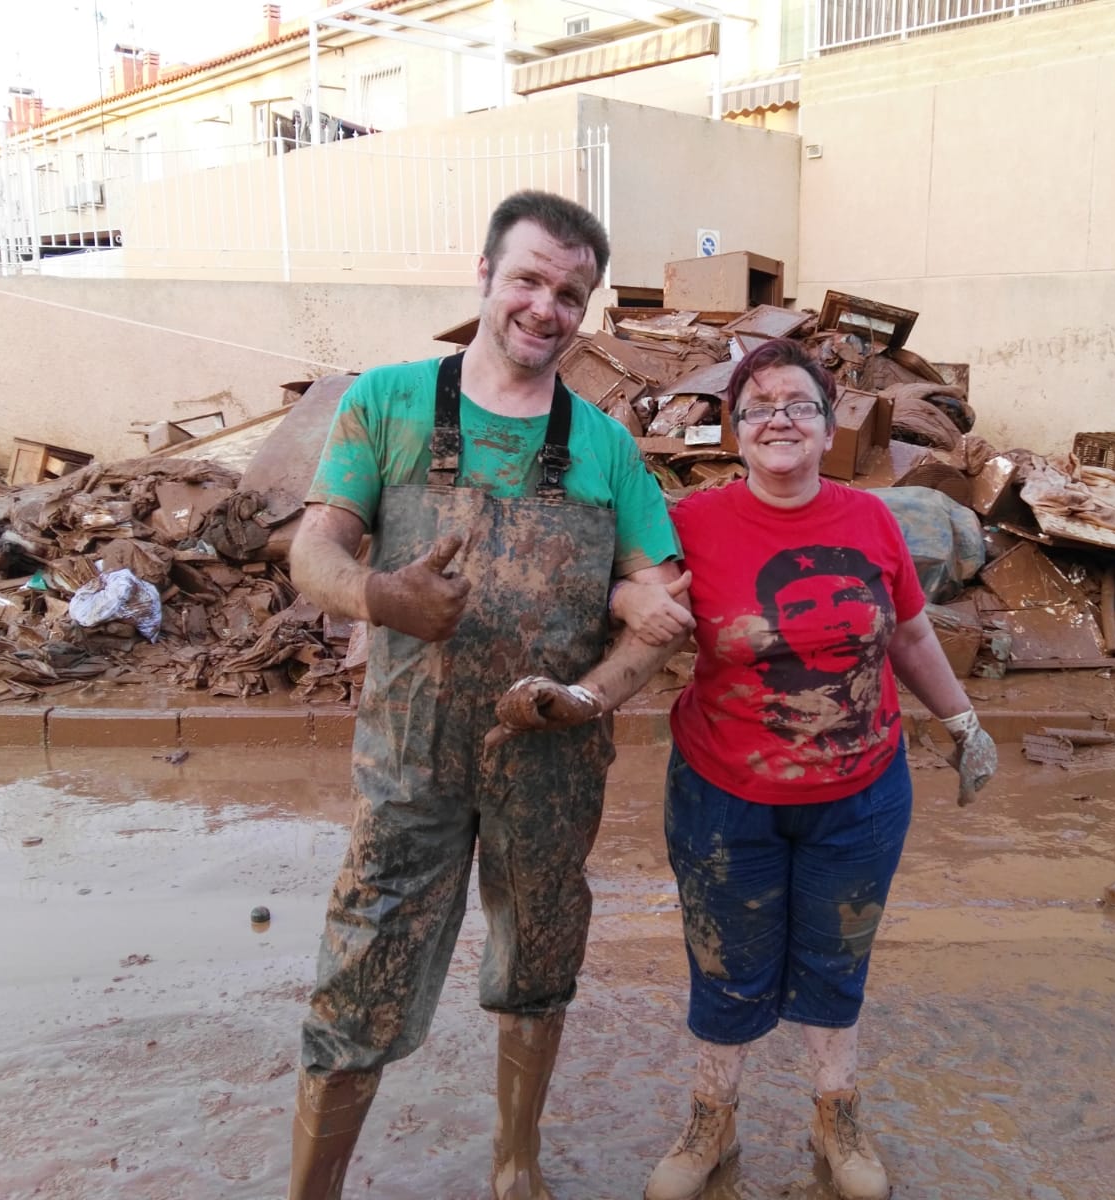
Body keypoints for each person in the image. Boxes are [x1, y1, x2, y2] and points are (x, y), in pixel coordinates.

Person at [284, 190, 690, 1200]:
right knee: (363, 962)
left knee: (541, 952)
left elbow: (656, 610)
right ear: (484, 277)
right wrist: (382, 595)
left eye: (570, 293)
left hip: (548, 764)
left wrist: (589, 697)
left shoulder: (604, 445)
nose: (546, 308)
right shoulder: (385, 402)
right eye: (528, 280)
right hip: (411, 756)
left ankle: (516, 1167)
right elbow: (313, 549)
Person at [618, 338, 1000, 1200]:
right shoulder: (692, 527)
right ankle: (710, 1123)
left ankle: (838, 1117)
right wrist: (620, 607)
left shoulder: (872, 522)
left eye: (800, 405)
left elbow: (906, 633)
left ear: (829, 427)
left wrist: (964, 723)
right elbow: (633, 602)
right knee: (724, 963)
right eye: (759, 407)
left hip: (860, 797)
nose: (779, 419)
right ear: (735, 430)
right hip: (724, 795)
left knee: (838, 960)